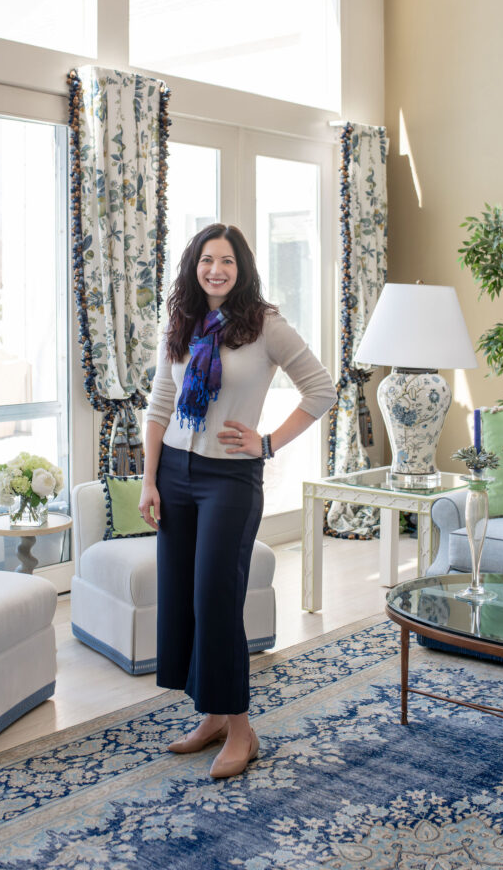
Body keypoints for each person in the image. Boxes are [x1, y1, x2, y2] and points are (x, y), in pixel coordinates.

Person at [139, 223, 336, 779]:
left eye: (226, 260)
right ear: (194, 265)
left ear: (242, 267)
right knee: (183, 599)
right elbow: (160, 405)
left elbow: (321, 389)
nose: (216, 270)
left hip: (231, 480)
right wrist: (150, 481)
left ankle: (242, 731)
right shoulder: (179, 321)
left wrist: (267, 441)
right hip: (175, 472)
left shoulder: (265, 325)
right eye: (206, 259)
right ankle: (213, 717)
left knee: (217, 602)